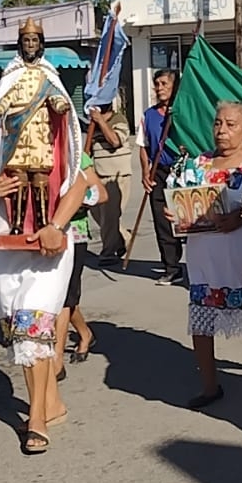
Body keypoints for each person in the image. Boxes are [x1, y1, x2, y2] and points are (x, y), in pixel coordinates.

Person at [0, 20, 86, 453]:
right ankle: (49, 401)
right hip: (6, 246)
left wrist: (56, 224)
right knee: (20, 330)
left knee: (34, 323)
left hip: (52, 239)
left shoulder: (63, 136)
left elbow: (82, 183)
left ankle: (35, 418)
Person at [165, 101, 242, 408]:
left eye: (231, 125)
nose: (222, 130)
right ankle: (209, 385)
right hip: (207, 254)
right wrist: (176, 211)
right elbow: (182, 200)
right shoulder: (197, 164)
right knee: (202, 314)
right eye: (218, 123)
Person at [55, 151, 106, 380]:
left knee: (66, 296)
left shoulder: (76, 155)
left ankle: (56, 358)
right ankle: (85, 333)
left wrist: (76, 198)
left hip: (74, 234)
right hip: (44, 233)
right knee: (59, 296)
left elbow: (100, 193)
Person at [140, 69, 185, 285]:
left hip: (181, 171)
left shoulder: (183, 113)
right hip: (158, 170)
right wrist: (145, 173)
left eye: (164, 83)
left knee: (186, 219)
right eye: (156, 84)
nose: (159, 88)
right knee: (162, 222)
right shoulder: (149, 115)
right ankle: (171, 267)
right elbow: (143, 145)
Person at [87, 96, 132, 265]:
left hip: (116, 176)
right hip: (98, 174)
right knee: (96, 212)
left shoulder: (118, 119)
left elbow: (115, 141)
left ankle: (108, 252)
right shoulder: (92, 124)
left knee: (110, 217)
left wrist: (101, 122)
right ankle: (124, 237)